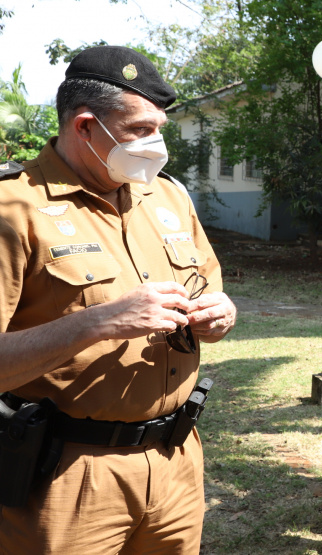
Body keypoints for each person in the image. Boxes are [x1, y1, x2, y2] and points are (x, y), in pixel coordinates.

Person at [0, 45, 237, 553]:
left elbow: (210, 286)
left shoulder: (166, 195)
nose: (156, 144)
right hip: (67, 476)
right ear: (84, 126)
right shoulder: (13, 208)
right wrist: (101, 321)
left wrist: (221, 313)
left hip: (177, 462)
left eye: (160, 130)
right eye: (139, 130)